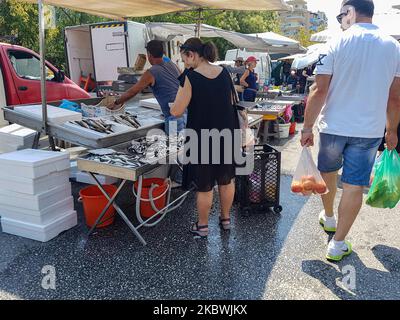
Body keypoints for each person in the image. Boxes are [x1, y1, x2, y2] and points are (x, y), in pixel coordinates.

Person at [301, 0, 400, 262]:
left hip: (333, 125)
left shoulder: (336, 43)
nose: (340, 20)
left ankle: (330, 217)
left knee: (328, 174)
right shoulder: (394, 47)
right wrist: (392, 131)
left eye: (341, 15)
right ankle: (338, 244)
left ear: (352, 12)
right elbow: (395, 98)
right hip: (369, 130)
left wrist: (307, 127)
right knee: (354, 185)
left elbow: (319, 90)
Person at [170, 38, 240, 238]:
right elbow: (231, 100)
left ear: (191, 54)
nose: (185, 63)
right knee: (226, 180)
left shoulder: (190, 77)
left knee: (205, 184)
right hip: (226, 133)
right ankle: (226, 220)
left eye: (184, 59)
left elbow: (176, 110)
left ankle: (202, 226)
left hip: (202, 137)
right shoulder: (224, 72)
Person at [111, 40, 186, 134]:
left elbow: (132, 92)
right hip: (186, 112)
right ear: (163, 53)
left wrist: (116, 102)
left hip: (174, 118)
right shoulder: (172, 64)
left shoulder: (151, 72)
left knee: (175, 147)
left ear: (149, 55)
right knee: (187, 146)